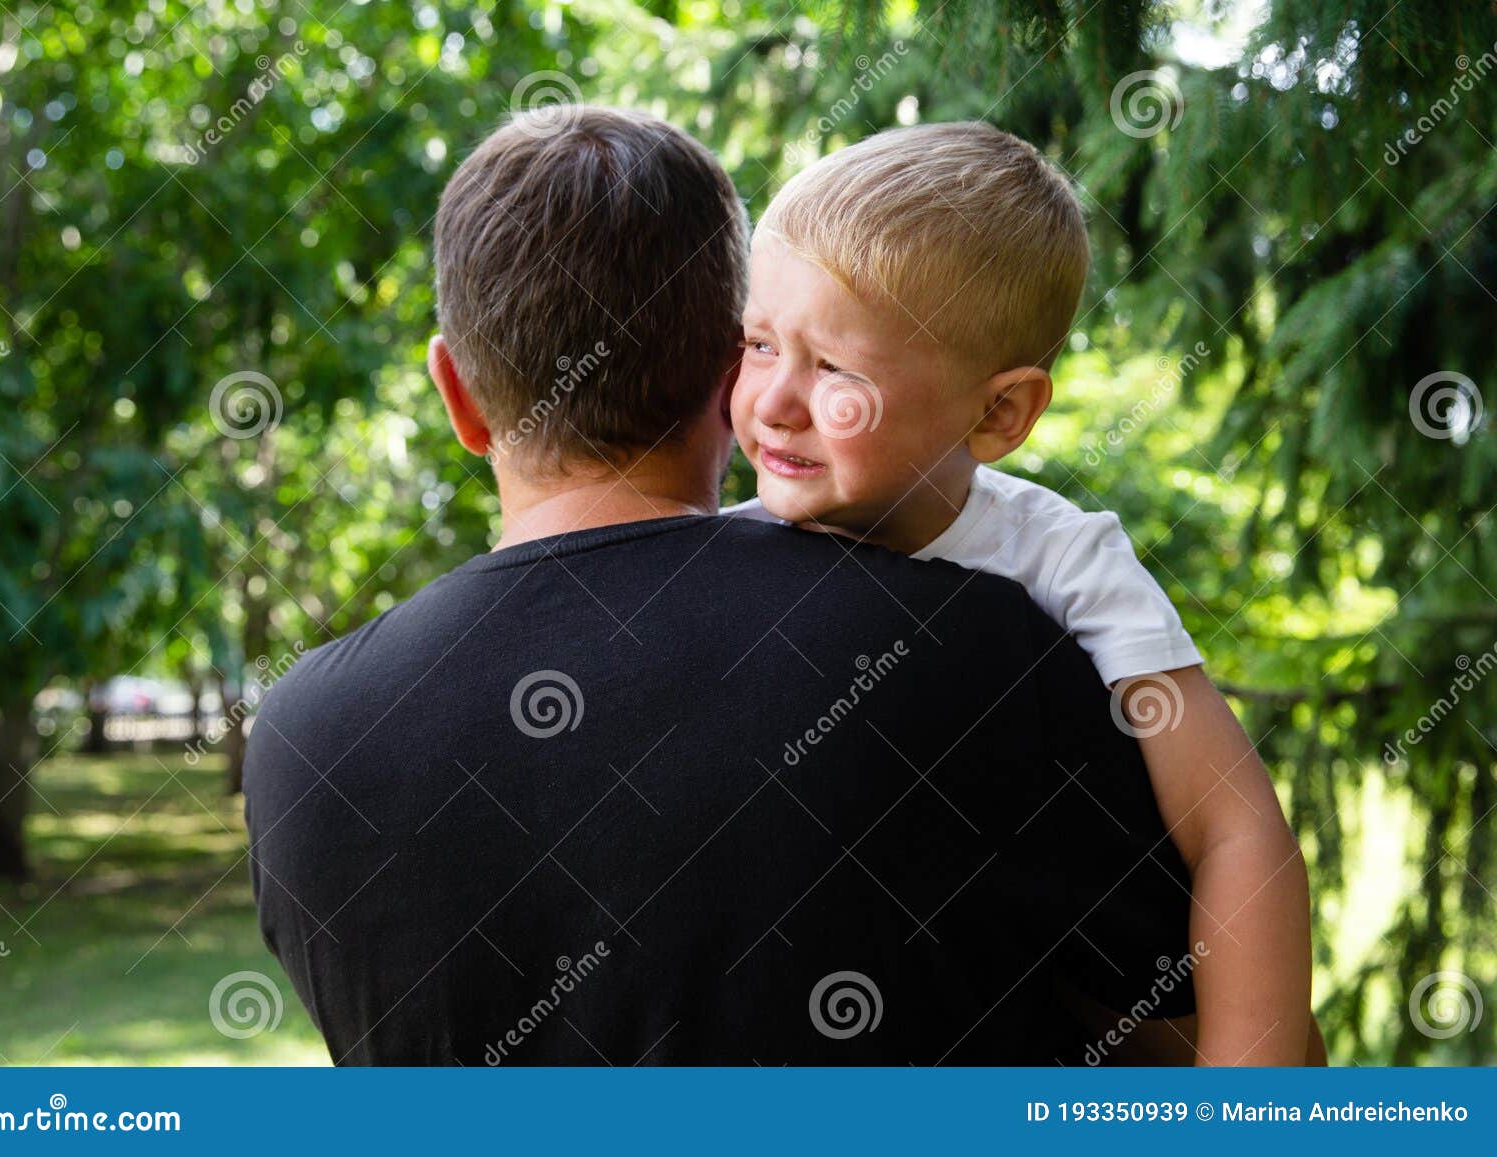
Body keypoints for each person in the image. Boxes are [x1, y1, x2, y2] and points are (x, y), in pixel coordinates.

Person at [243, 106, 1201, 1066]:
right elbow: (1183, 1046)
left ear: (456, 395)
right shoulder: (981, 648)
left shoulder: (303, 746)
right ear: (728, 366)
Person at [725, 121, 1314, 1064]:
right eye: (758, 344)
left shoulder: (1063, 563)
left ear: (999, 412)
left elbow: (1235, 827)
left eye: (836, 368)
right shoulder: (719, 557)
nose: (774, 402)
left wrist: (1253, 1089)